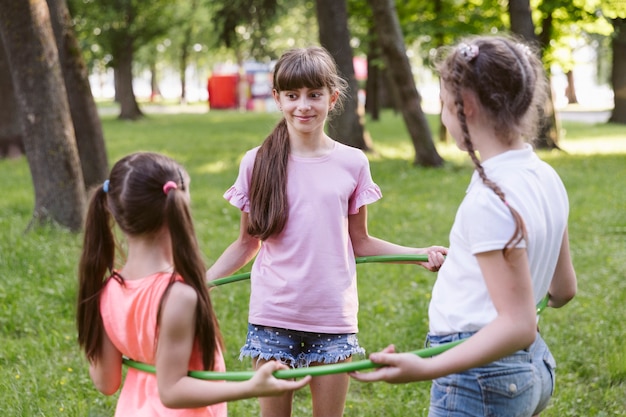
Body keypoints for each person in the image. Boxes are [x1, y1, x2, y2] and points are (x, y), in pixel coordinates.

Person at [205, 46, 446, 417]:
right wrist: (200, 283)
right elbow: (246, 242)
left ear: (332, 98)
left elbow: (360, 242)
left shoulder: (352, 162)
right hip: (273, 316)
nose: (304, 105)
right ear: (277, 99)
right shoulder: (256, 162)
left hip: (333, 318)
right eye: (292, 95)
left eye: (314, 95)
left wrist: (417, 254)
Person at [350, 35, 578, 417]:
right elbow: (563, 290)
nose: (441, 115)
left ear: (465, 107)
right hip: (532, 367)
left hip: (479, 379)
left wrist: (424, 367)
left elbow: (518, 323)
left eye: (442, 104)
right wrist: (470, 266)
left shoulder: (491, 200)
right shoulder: (544, 175)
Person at [76, 152, 311, 417]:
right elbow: (172, 390)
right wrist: (252, 386)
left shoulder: (107, 290)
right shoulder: (178, 296)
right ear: (178, 206)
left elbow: (106, 383)